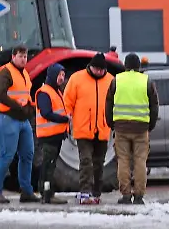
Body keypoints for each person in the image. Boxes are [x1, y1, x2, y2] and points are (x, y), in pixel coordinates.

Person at [106, 52, 160, 205]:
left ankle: (125, 195)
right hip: (141, 128)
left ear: (125, 65)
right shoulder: (147, 81)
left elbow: (108, 103)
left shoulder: (116, 80)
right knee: (140, 161)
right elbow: (154, 105)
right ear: (139, 66)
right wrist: (151, 125)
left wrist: (111, 123)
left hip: (121, 127)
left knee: (123, 160)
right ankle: (139, 195)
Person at [63, 52, 114, 204]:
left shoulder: (111, 81)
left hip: (103, 130)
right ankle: (85, 191)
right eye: (96, 69)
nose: (99, 72)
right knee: (86, 161)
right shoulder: (76, 79)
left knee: (99, 163)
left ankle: (96, 193)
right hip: (82, 129)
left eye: (101, 70)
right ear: (90, 67)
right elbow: (67, 102)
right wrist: (68, 119)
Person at [0, 46, 38, 204]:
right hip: (7, 118)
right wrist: (18, 106)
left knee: (28, 154)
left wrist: (30, 107)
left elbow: (25, 95)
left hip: (22, 120)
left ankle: (26, 191)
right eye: (21, 56)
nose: (24, 59)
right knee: (7, 155)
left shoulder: (24, 73)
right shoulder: (5, 72)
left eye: (25, 56)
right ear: (13, 56)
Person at [34, 63, 69, 205]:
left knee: (50, 166)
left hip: (56, 136)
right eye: (59, 75)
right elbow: (46, 113)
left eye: (63, 75)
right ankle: (47, 194)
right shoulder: (44, 92)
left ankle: (46, 192)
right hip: (48, 137)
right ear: (53, 75)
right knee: (48, 166)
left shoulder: (56, 91)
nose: (62, 78)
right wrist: (64, 119)